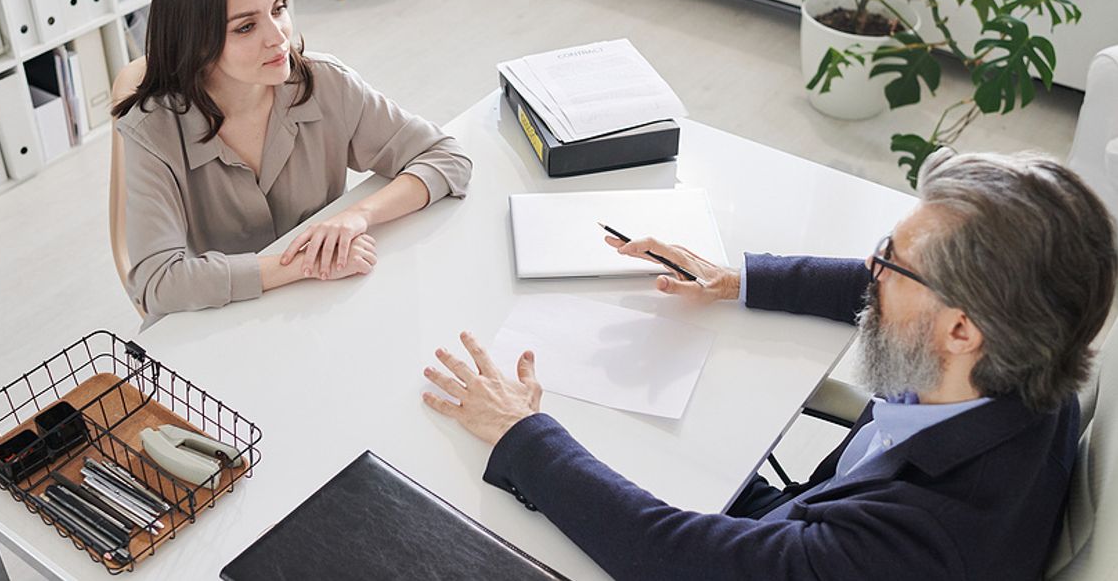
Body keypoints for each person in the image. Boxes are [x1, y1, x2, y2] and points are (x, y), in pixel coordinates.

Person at [421, 149, 1116, 580]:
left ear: (961, 329)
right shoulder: (1030, 354)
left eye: (889, 261)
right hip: (799, 519)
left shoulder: (917, 545)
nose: (868, 269)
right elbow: (892, 290)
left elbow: (673, 558)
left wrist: (522, 435)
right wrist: (737, 279)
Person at [112, 0, 471, 321]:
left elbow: (445, 157)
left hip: (329, 303)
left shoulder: (325, 83)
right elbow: (157, 283)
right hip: (226, 319)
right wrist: (301, 263)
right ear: (196, 40)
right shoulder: (153, 132)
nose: (277, 37)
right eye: (246, 27)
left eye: (278, 9)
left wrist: (358, 215)